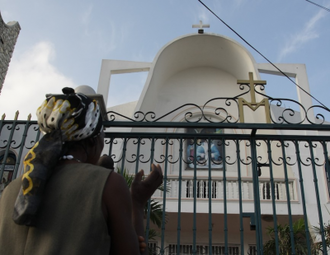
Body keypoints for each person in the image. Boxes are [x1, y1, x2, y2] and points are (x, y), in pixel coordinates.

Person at [0, 87, 163, 255]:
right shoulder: (107, 184)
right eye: (102, 135)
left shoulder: (11, 190)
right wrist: (136, 203)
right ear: (93, 140)